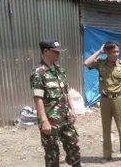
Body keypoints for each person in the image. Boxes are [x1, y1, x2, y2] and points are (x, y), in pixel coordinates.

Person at [30, 39, 82, 167]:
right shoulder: (38, 73)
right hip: (50, 120)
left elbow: (66, 92)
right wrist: (44, 121)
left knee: (73, 146)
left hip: (65, 117)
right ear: (46, 51)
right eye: (55, 52)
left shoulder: (60, 70)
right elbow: (38, 98)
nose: (58, 54)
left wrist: (72, 110)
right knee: (52, 153)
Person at [84, 41, 121, 164]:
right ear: (107, 53)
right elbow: (86, 63)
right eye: (113, 52)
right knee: (106, 128)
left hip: (119, 99)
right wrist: (99, 51)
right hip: (105, 100)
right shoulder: (100, 64)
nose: (116, 54)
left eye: (117, 51)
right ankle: (107, 155)